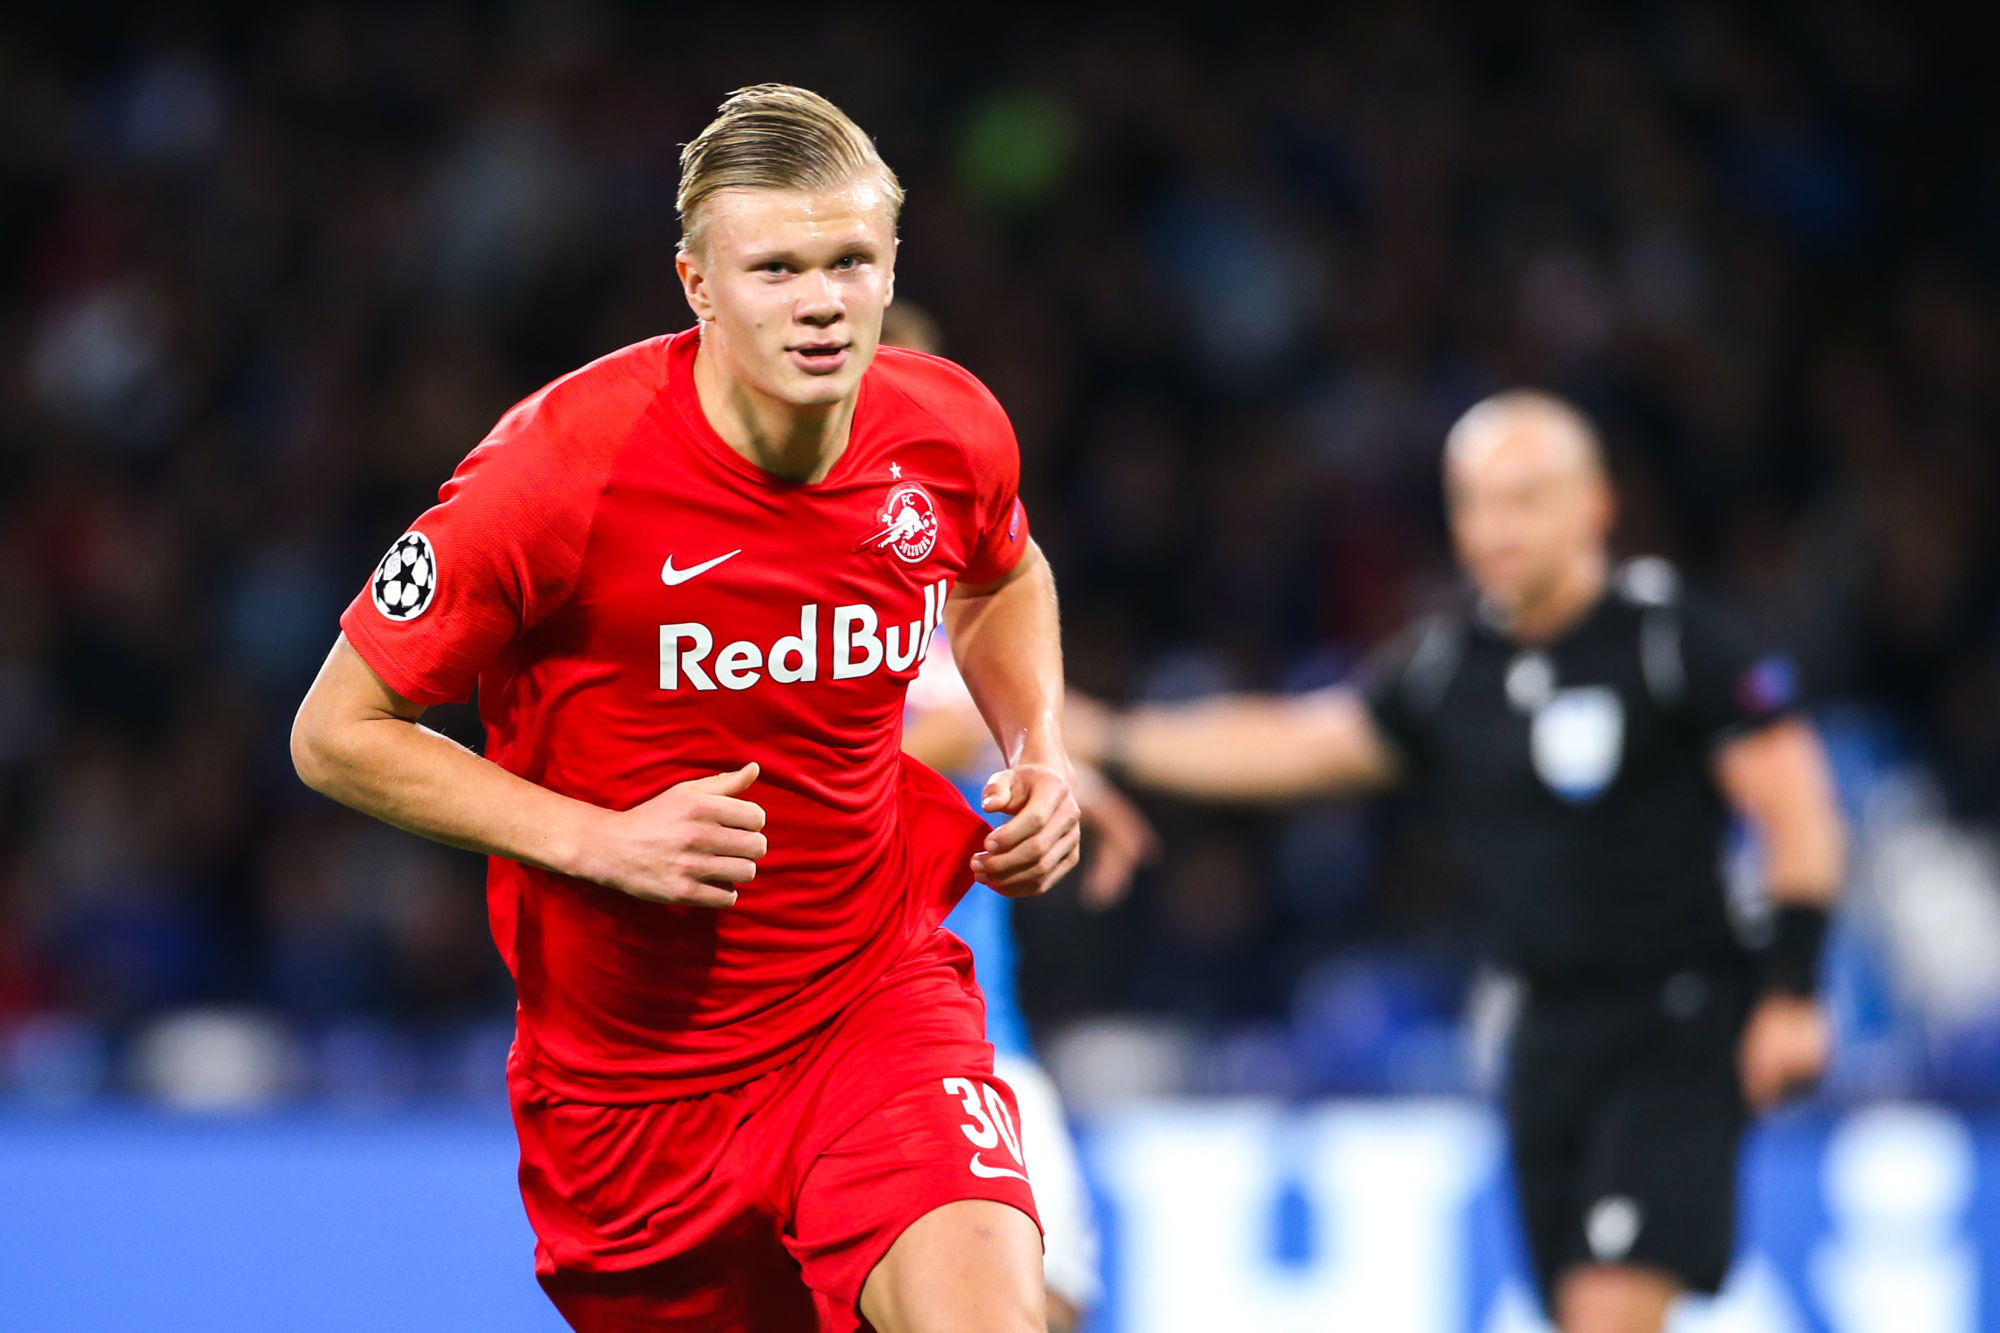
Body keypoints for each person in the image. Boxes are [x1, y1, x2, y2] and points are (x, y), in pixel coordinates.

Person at [291, 85, 1079, 1333]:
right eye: (774, 268)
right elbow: (336, 731)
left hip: (870, 1004)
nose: (821, 301)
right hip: (630, 1089)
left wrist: (1038, 747)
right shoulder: (559, 467)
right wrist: (593, 838)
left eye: (850, 262)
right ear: (696, 284)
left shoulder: (946, 428)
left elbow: (1000, 571)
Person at [1068, 391, 1846, 1333]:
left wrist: (1793, 989)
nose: (1495, 527)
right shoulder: (1449, 668)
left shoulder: (1668, 641)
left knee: (1608, 1309)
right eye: (1473, 500)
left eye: (1525, 498)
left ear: (1595, 505)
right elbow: (1305, 743)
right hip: (1541, 1035)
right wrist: (1110, 737)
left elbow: (1795, 801)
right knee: (1578, 1311)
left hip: (1672, 1026)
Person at [884, 301, 1156, 1333]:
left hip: (980, 1029)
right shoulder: (771, 588)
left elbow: (1011, 701)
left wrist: (1066, 757)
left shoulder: (958, 596)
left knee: (1048, 1300)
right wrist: (999, 747)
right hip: (834, 1031)